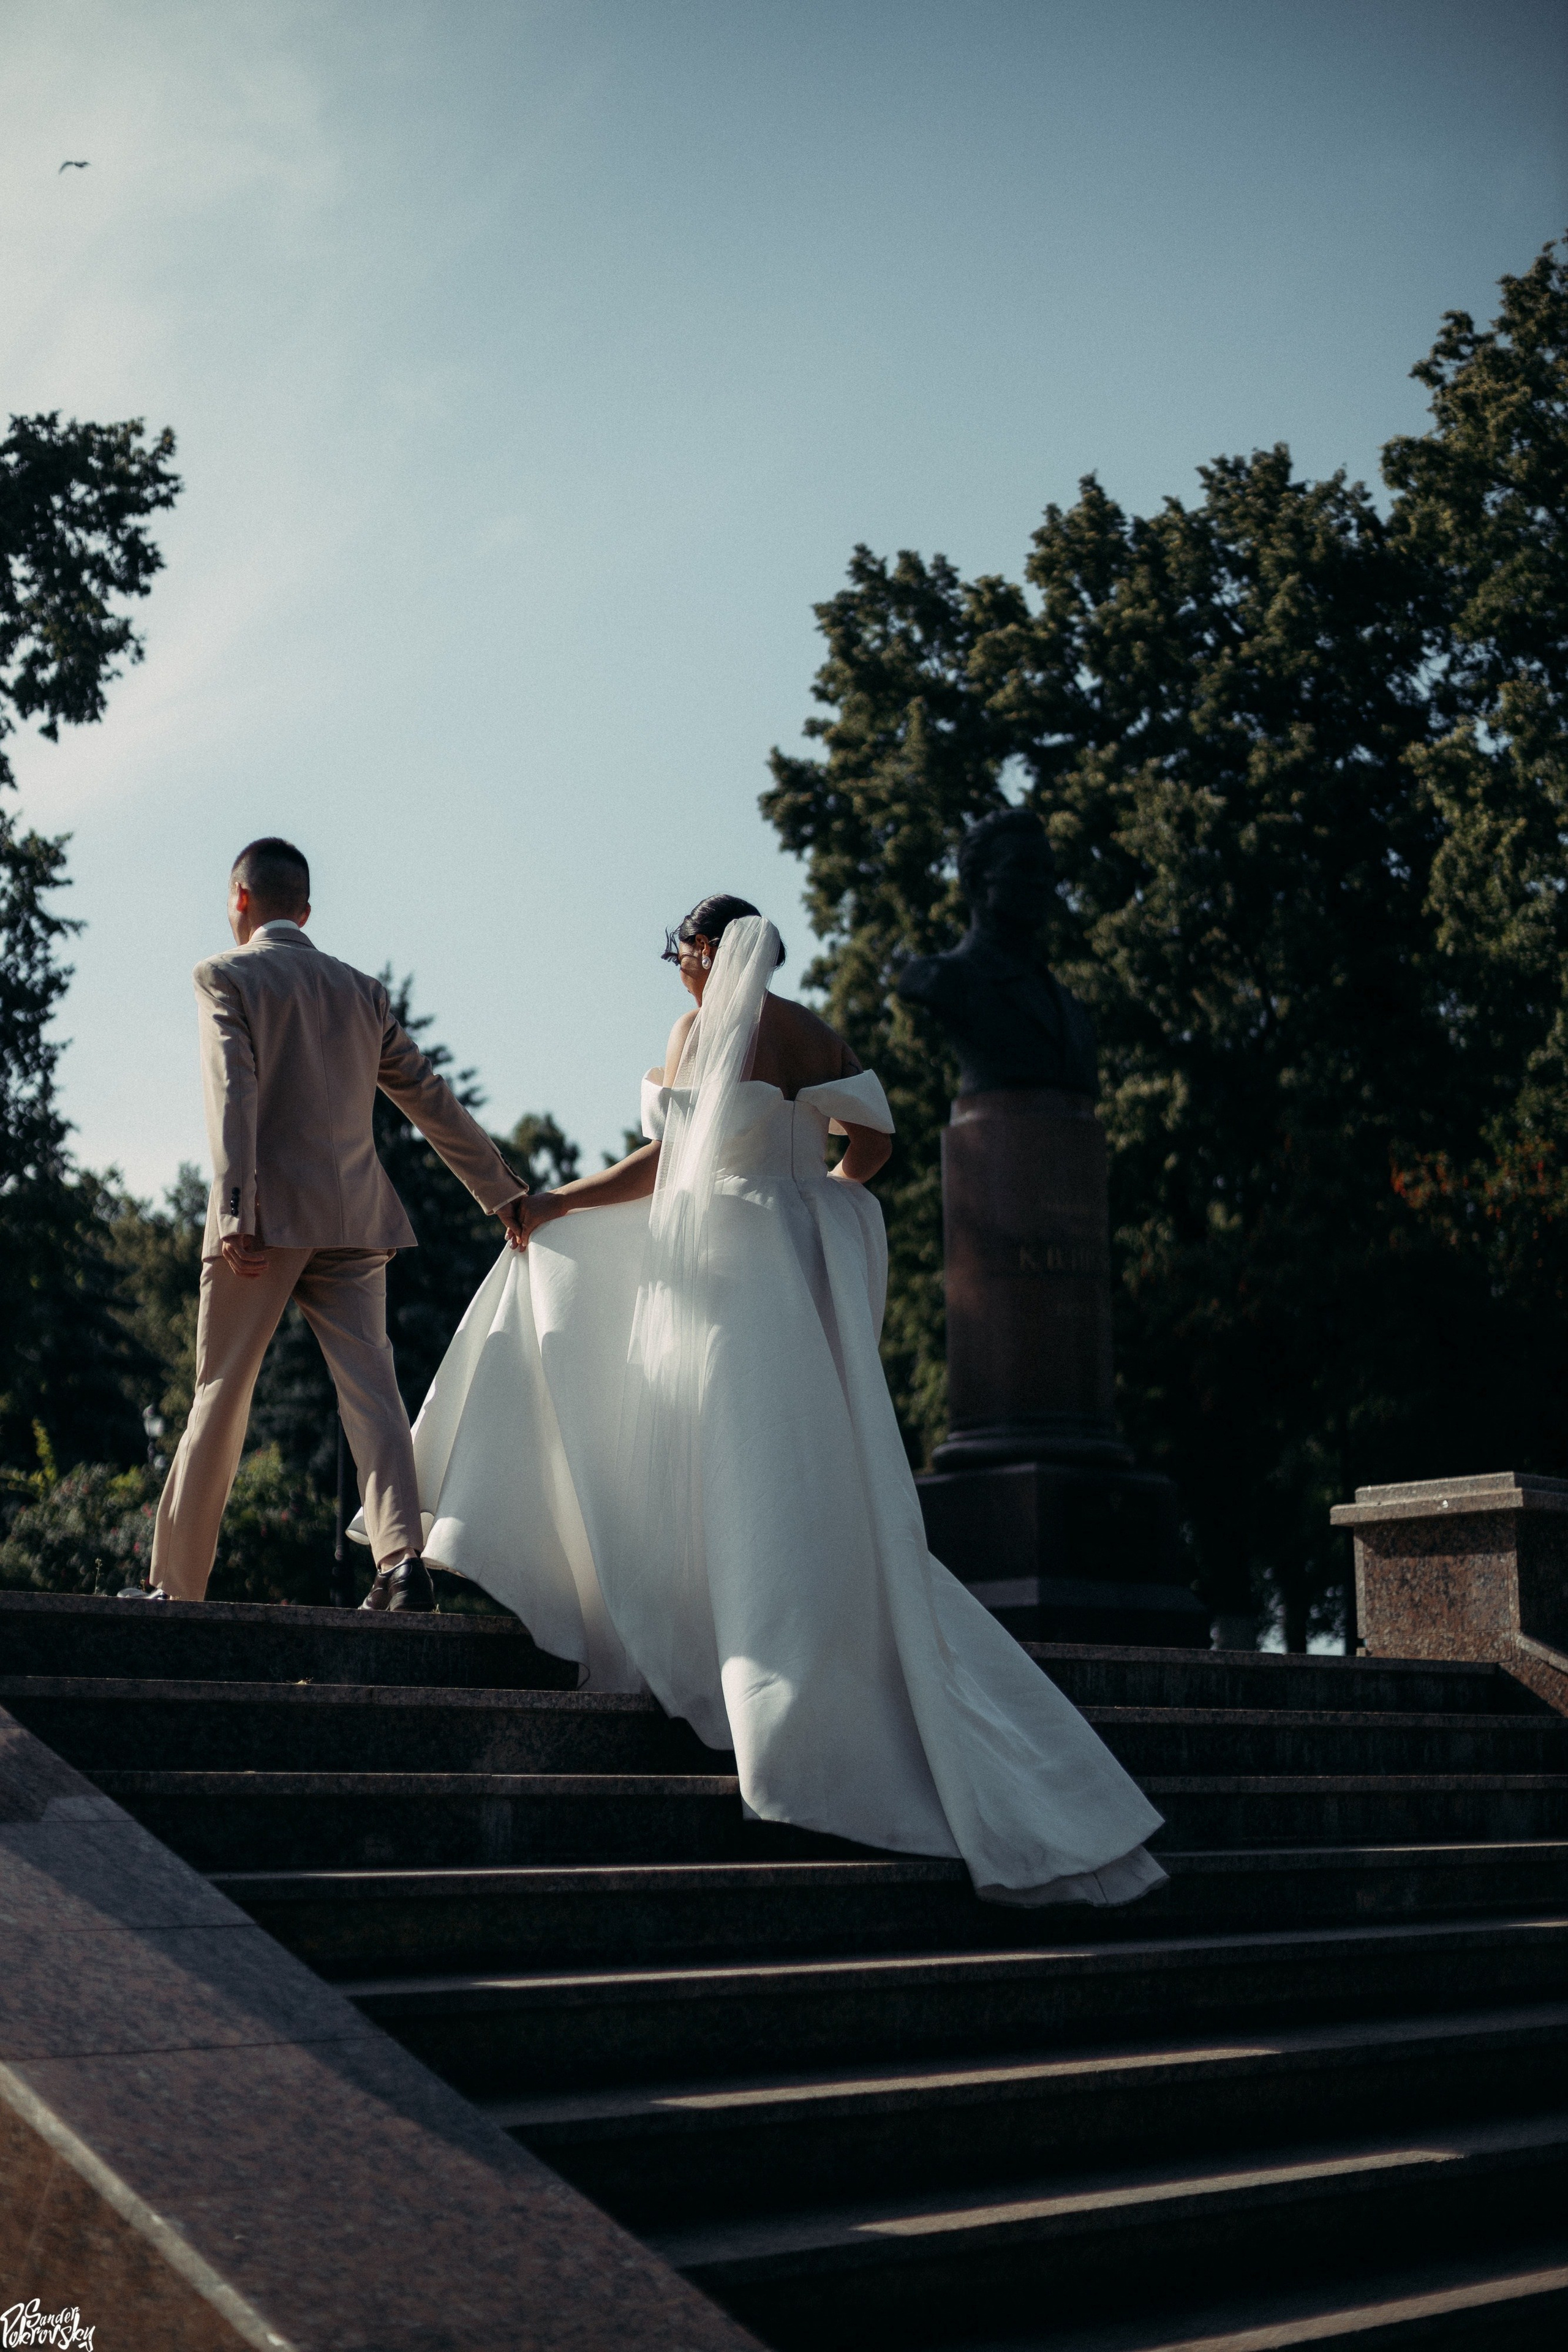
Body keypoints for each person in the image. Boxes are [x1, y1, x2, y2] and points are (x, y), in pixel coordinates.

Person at [383, 895, 1164, 1903]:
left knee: (713, 1448)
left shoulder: (700, 1031)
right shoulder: (813, 1028)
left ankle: (727, 1660)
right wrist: (813, 1197)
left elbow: (668, 1165)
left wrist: (556, 1204)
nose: (679, 975)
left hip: (719, 1272)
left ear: (707, 951)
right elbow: (872, 1147)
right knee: (792, 1467)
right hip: (792, 1275)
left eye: (681, 955)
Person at [137, 837, 529, 1611]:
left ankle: (174, 1593)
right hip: (356, 1216)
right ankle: (401, 1564)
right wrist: (503, 1191)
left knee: (221, 1391)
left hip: (265, 1219)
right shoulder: (362, 992)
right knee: (374, 1390)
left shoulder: (224, 975)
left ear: (239, 900)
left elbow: (234, 1094)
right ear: (306, 911)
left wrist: (235, 1208)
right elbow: (428, 1097)